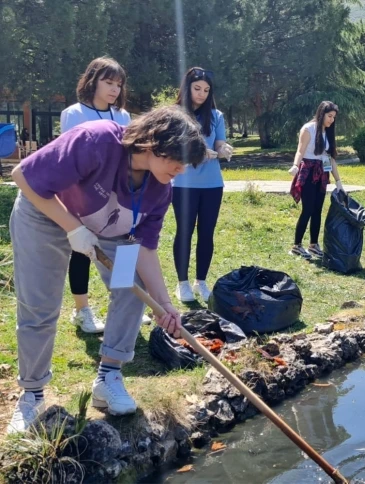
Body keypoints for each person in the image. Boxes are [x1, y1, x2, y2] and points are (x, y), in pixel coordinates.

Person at [7, 106, 207, 433]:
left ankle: (109, 375)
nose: (181, 170)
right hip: (44, 212)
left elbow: (144, 248)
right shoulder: (96, 140)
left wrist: (165, 305)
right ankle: (32, 394)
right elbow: (23, 177)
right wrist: (72, 228)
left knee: (134, 284)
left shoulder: (160, 188)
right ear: (156, 143)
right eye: (179, 160)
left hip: (109, 229)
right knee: (40, 305)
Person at [59, 57, 133, 333]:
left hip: (117, 196)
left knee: (126, 247)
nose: (114, 89)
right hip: (83, 196)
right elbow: (69, 157)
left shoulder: (124, 116)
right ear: (93, 81)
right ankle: (82, 311)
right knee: (82, 251)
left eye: (119, 84)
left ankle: (126, 305)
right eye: (108, 82)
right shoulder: (74, 113)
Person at [171, 67, 233, 303]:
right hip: (183, 183)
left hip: (212, 184)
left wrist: (223, 148)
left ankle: (201, 281)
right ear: (186, 88)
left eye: (206, 90)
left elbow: (219, 142)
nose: (202, 94)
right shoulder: (175, 114)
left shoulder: (216, 115)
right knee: (184, 232)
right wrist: (197, 152)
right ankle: (182, 283)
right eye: (197, 88)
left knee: (206, 233)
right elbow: (171, 147)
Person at [288, 101, 345, 259]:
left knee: (318, 210)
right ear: (321, 114)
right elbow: (300, 150)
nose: (331, 120)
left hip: (321, 174)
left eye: (334, 117)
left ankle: (313, 244)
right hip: (308, 171)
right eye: (329, 116)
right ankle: (296, 246)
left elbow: (330, 159)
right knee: (308, 209)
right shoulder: (308, 129)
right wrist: (295, 165)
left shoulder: (327, 132)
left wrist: (338, 182)